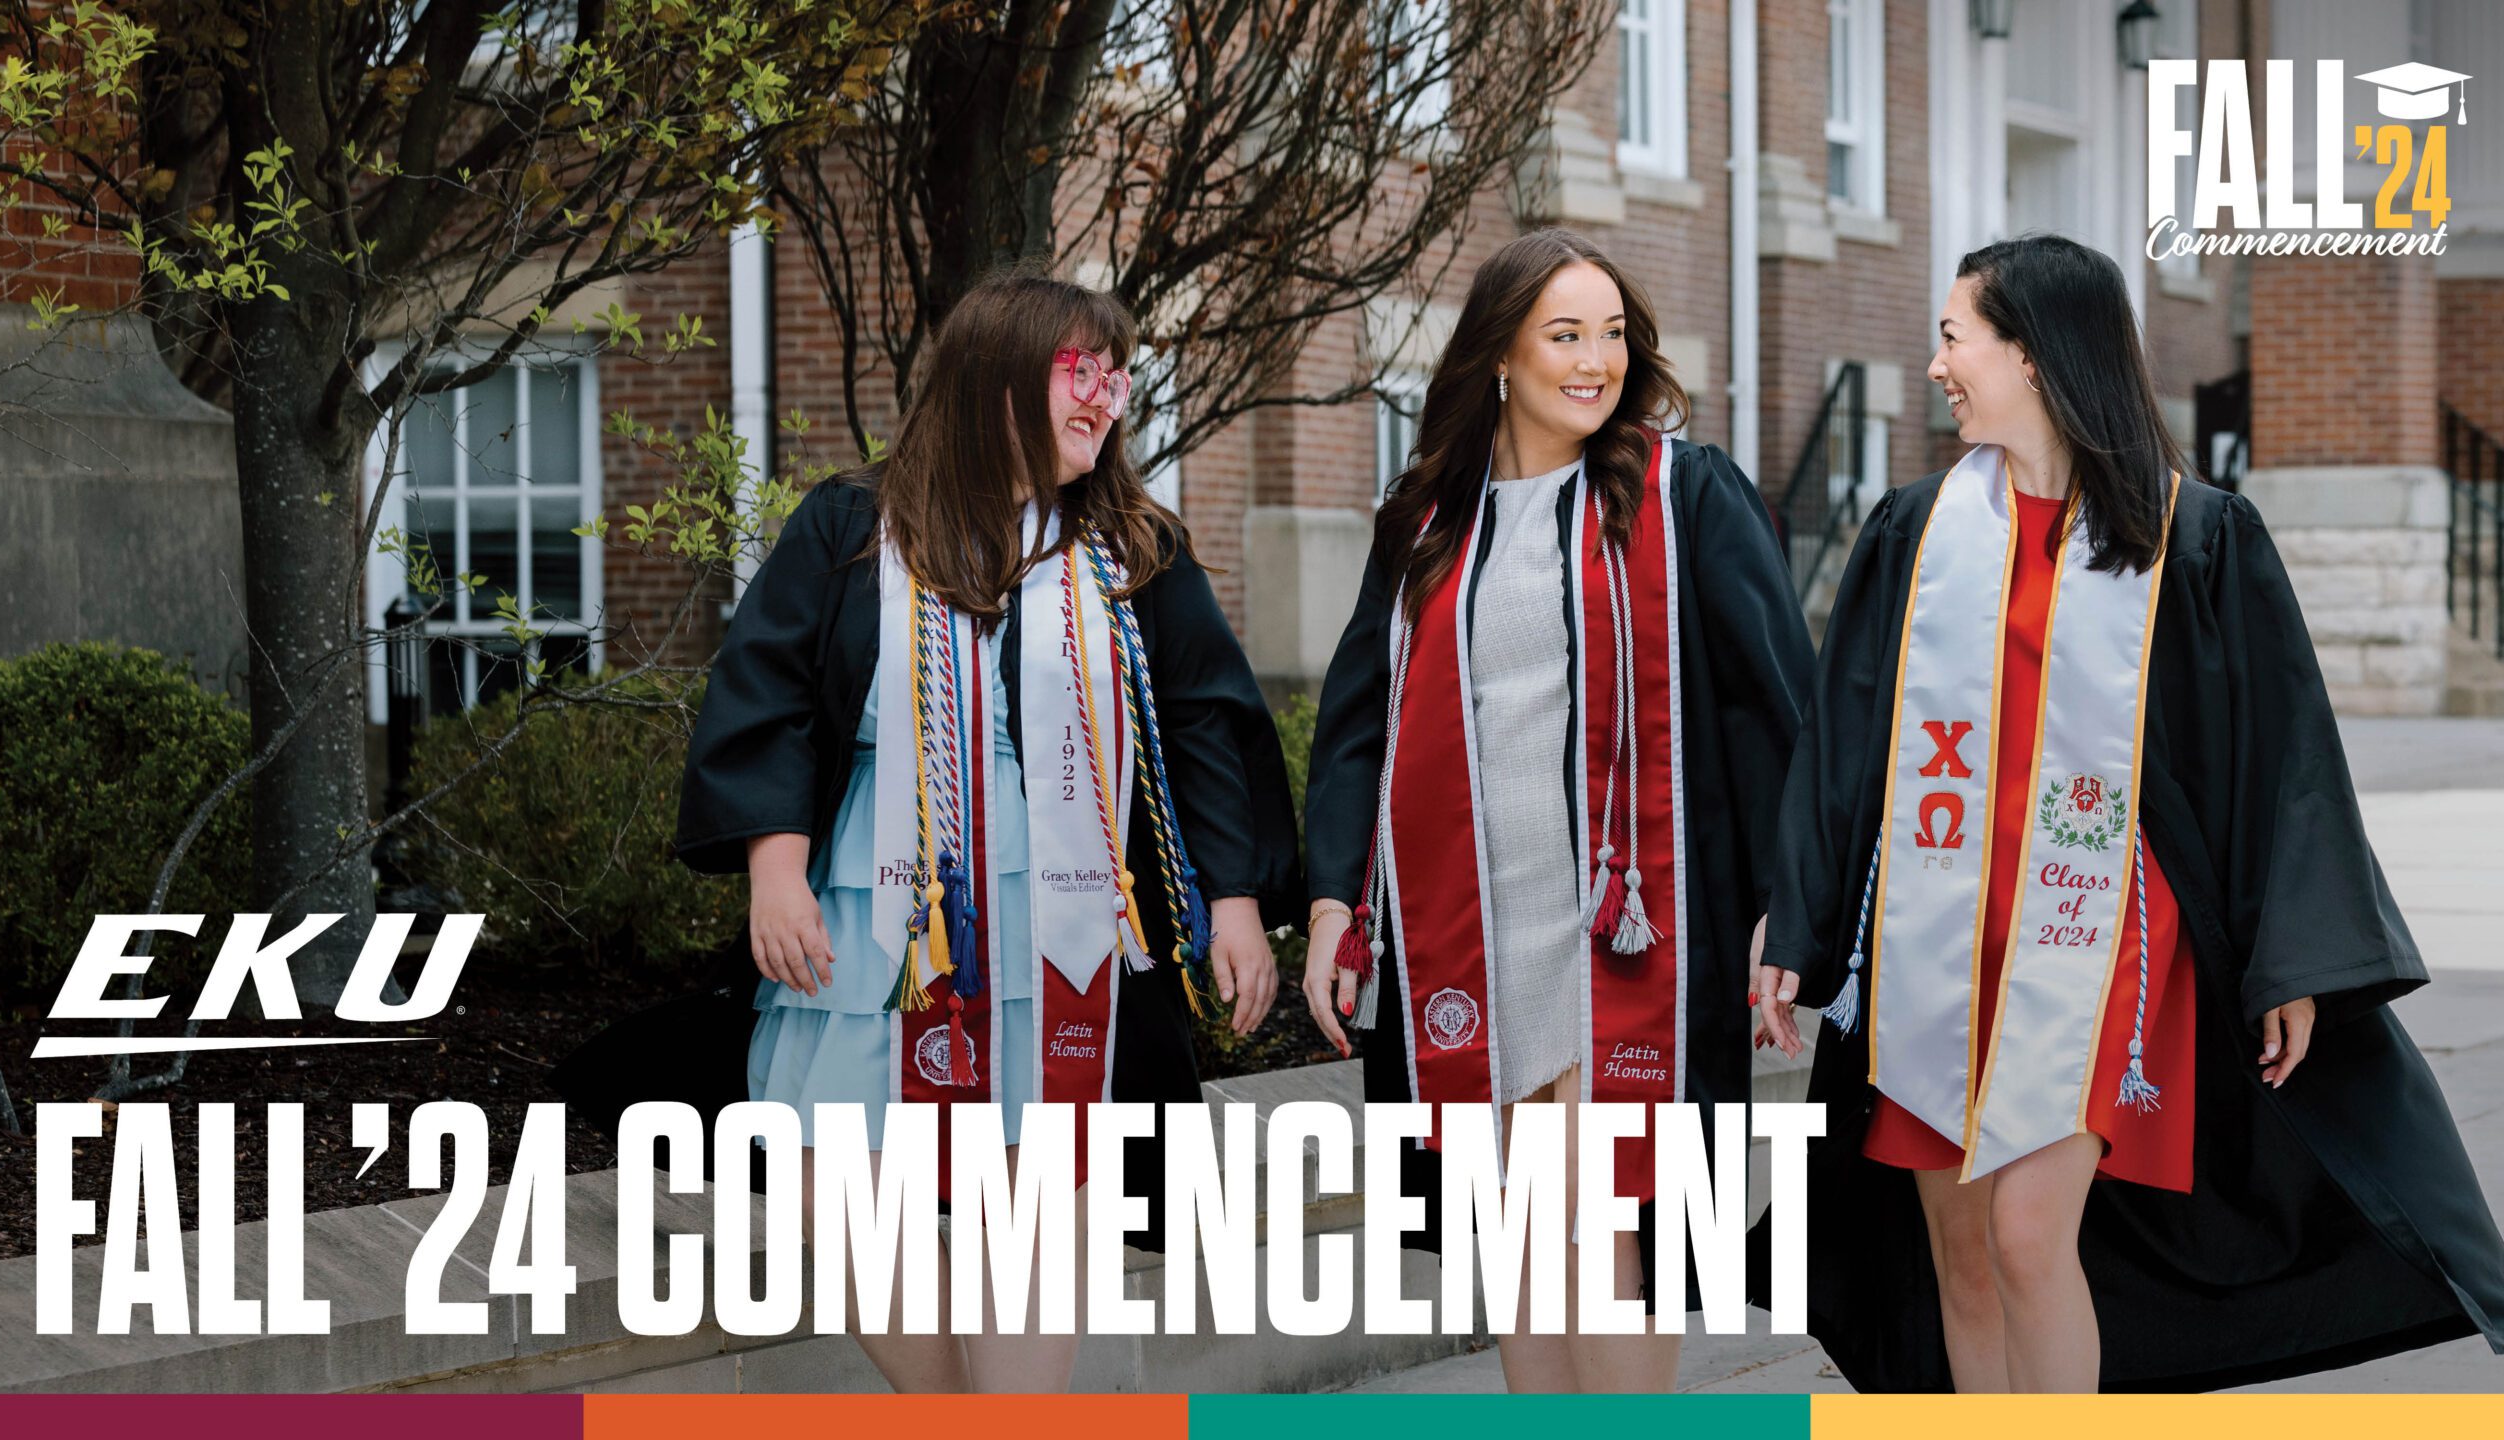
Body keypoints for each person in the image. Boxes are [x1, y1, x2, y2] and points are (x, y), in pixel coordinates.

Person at [1754, 233, 2504, 1392]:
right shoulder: (1917, 534)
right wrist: (1797, 935)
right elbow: (1842, 748)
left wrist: (2293, 958)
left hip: (2099, 929)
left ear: (2036, 355)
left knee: (2022, 1230)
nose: (1937, 363)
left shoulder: (2193, 539)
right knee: (1959, 1248)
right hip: (1940, 929)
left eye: (1957, 336)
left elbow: (2281, 759)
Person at [672, 269, 1300, 1391]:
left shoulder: (1130, 550)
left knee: (1035, 1197)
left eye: (1115, 377)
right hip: (878, 909)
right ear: (993, 374)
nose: (1104, 397)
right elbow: (764, 694)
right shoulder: (853, 529)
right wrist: (774, 870)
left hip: (1062, 912)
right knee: (837, 1192)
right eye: (1079, 370)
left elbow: (1209, 721)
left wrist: (1236, 902)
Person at [1302, 227, 1812, 1392]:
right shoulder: (1428, 522)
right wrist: (1335, 900)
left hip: (1630, 916)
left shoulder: (1684, 496)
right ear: (1499, 356)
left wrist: (1788, 903)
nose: (1596, 361)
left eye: (1613, 335)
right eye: (1564, 335)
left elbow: (1771, 708)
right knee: (1527, 1230)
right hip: (1475, 921)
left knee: (1607, 1213)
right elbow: (1359, 722)